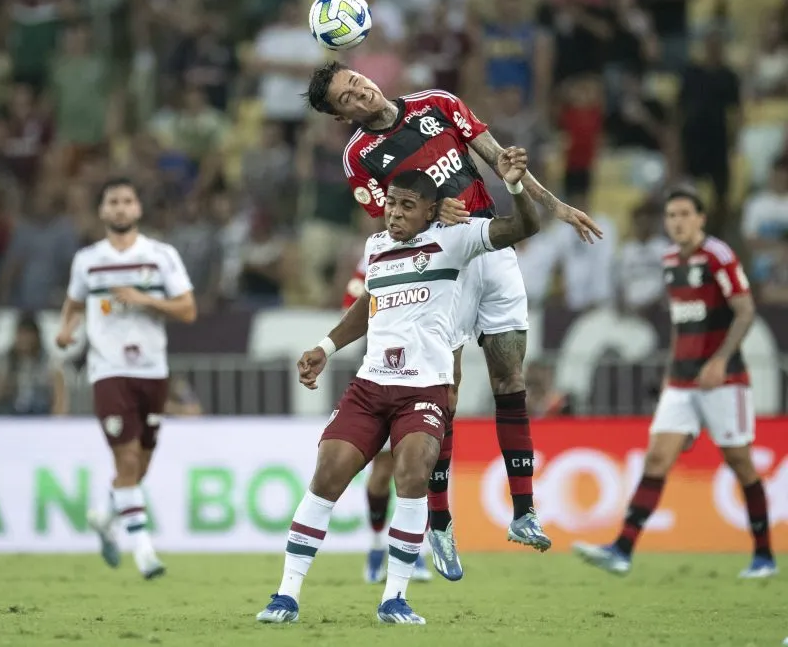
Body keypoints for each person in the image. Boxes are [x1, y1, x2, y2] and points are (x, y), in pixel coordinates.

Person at [305, 61, 603, 577]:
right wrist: (433, 212)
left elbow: (501, 162)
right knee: (445, 391)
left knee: (510, 378)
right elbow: (394, 222)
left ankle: (524, 512)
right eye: (345, 99)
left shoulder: (437, 104)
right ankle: (439, 524)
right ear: (339, 116)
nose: (359, 94)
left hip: (492, 244)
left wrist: (554, 205)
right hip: (443, 262)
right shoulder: (358, 157)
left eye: (355, 83)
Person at [257, 161, 541, 626]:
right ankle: (286, 595)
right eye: (391, 204)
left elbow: (526, 225)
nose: (395, 213)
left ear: (431, 211)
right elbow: (368, 303)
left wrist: (513, 185)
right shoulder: (376, 248)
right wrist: (325, 347)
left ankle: (395, 598)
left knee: (411, 475)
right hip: (370, 387)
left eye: (408, 206)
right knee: (327, 474)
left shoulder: (456, 239)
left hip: (423, 390)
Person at [573, 189, 777, 579]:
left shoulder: (718, 256)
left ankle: (764, 555)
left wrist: (720, 360)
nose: (677, 222)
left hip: (723, 380)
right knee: (656, 459)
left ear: (701, 219)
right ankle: (621, 550)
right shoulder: (668, 261)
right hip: (682, 383)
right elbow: (681, 325)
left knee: (740, 462)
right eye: (671, 215)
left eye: (685, 214)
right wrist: (670, 373)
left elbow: (745, 311)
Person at [55, 178, 197, 579]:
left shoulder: (160, 256)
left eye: (127, 201)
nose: (120, 208)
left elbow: (188, 310)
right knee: (127, 458)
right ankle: (145, 551)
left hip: (152, 369)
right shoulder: (87, 260)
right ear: (102, 211)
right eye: (112, 201)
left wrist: (144, 299)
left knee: (139, 466)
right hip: (109, 369)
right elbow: (74, 302)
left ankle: (105, 515)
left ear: (138, 209)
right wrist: (67, 329)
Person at [341, 255, 433, 584]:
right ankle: (377, 545)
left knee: (417, 468)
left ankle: (414, 551)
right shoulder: (375, 255)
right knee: (381, 471)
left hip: (423, 370)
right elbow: (352, 303)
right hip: (381, 370)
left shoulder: (436, 249)